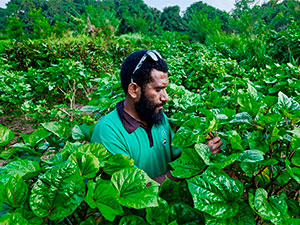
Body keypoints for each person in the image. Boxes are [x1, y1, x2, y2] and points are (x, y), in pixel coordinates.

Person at [91, 49, 222, 184]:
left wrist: (202, 149)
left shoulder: (157, 116)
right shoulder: (108, 132)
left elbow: (177, 158)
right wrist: (195, 163)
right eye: (158, 90)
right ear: (134, 90)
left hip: (170, 204)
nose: (166, 97)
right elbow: (138, 190)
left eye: (165, 89)